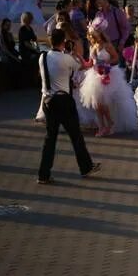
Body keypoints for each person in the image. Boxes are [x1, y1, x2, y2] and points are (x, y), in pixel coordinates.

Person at [37, 28, 101, 184]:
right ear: (63, 42)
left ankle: (43, 174)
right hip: (63, 101)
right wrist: (74, 53)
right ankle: (85, 167)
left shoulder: (42, 57)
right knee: (76, 136)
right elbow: (84, 66)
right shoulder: (66, 59)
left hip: (47, 101)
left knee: (50, 139)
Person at [80, 26, 138, 136]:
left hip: (108, 74)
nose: (93, 37)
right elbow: (90, 63)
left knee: (103, 103)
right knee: (96, 104)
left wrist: (106, 63)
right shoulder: (93, 46)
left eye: (94, 35)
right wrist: (80, 60)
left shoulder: (108, 45)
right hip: (95, 75)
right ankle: (102, 126)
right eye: (91, 35)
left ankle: (110, 123)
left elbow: (116, 58)